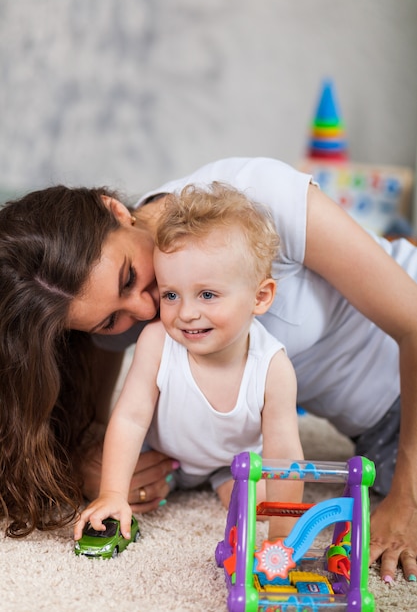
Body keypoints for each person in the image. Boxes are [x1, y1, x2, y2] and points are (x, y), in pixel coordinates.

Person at [1, 157, 417, 584]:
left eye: (128, 278)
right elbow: (112, 420)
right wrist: (101, 474)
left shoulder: (261, 196)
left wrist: (407, 498)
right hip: (375, 429)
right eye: (108, 322)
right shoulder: (127, 323)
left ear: (116, 212)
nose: (149, 310)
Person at [73, 182, 304, 543]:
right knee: (119, 474)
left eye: (208, 294)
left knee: (248, 504)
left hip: (231, 466)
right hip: (162, 454)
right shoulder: (157, 341)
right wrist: (112, 494)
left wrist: (281, 539)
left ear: (260, 297)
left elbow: (284, 456)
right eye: (171, 295)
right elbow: (132, 417)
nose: (187, 313)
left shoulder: (273, 368)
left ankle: (230, 489)